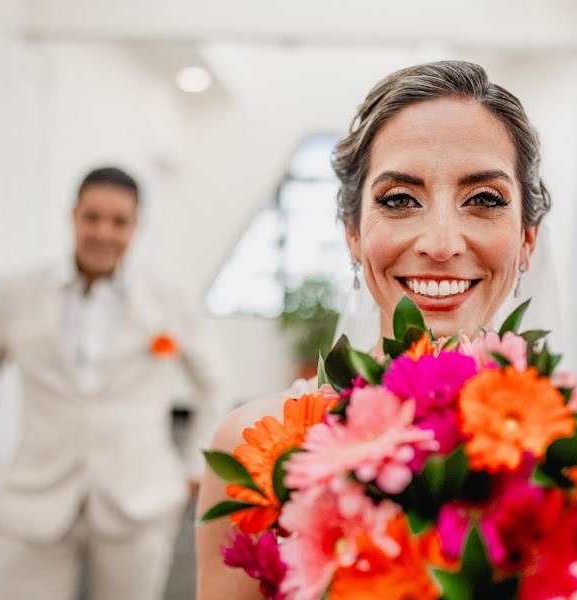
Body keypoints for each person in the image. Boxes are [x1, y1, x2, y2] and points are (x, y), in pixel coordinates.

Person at [195, 60, 550, 599]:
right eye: (400, 200)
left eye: (483, 200)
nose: (441, 243)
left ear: (527, 238)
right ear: (353, 233)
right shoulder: (253, 451)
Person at [0, 166, 226, 600]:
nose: (104, 232)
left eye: (118, 221)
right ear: (73, 217)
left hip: (138, 501)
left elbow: (212, 383)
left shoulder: (169, 296)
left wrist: (192, 472)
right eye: (93, 217)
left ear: (135, 226)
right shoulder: (17, 293)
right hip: (33, 500)